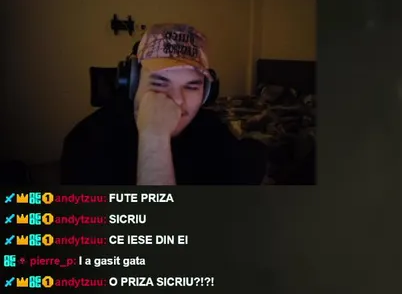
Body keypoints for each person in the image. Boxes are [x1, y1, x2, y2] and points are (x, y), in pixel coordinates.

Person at [60, 23, 263, 186]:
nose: (177, 100)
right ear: (132, 84)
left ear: (208, 92)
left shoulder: (210, 127)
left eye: (192, 87)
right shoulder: (88, 141)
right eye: (159, 83)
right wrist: (154, 139)